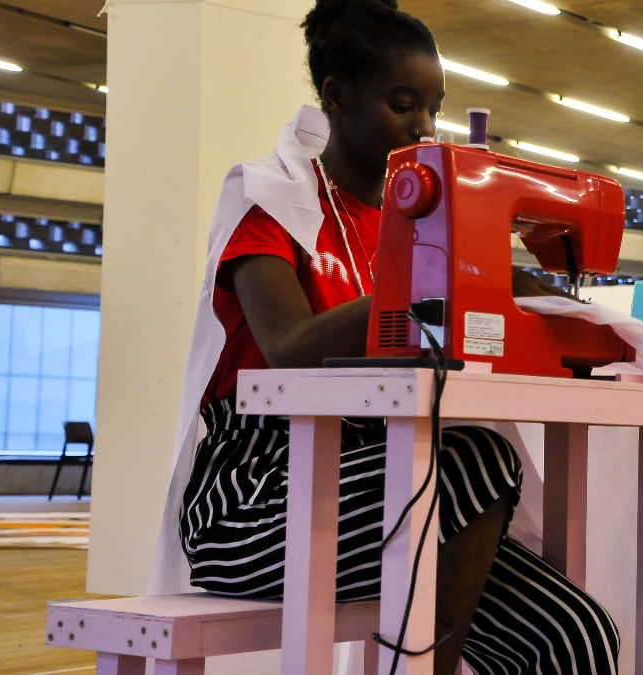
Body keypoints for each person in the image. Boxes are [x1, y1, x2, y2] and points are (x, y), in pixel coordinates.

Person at [166, 2, 619, 674]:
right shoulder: (267, 197)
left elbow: (450, 342)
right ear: (336, 94)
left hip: (381, 477)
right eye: (403, 104)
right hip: (254, 497)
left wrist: (531, 303)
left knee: (573, 635)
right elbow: (288, 347)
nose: (423, 126)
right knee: (475, 460)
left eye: (433, 107)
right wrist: (434, 281)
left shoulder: (412, 225)